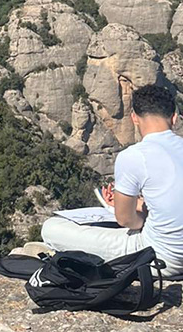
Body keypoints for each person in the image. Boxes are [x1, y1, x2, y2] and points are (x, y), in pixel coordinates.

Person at [40, 84, 183, 279]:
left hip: (161, 259)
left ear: (134, 118)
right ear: (174, 118)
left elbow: (126, 220)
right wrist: (141, 205)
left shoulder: (134, 156)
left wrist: (133, 214)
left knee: (51, 228)